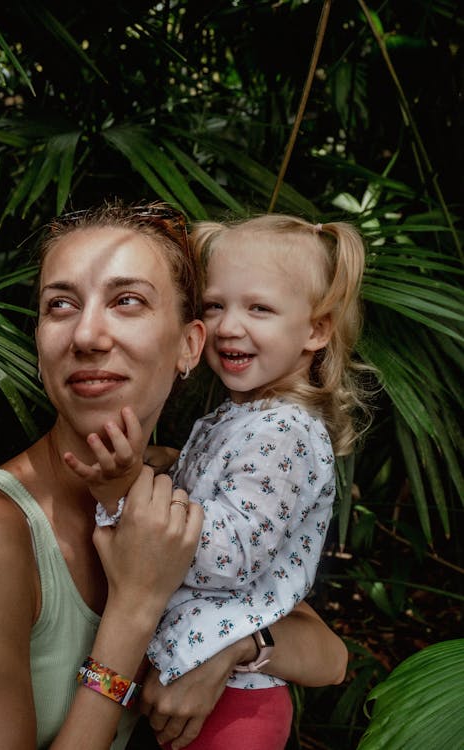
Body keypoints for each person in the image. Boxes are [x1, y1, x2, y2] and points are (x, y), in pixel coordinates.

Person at [0, 202, 347, 750]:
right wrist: (136, 607)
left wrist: (230, 649)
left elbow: (330, 655)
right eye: (61, 305)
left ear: (191, 345)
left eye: (127, 301)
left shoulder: (177, 487)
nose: (88, 335)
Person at [74, 211, 365, 749]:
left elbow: (229, 559)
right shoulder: (244, 417)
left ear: (316, 330)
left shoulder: (284, 429)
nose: (229, 325)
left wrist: (130, 490)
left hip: (237, 702)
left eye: (259, 307)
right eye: (216, 305)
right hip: (202, 674)